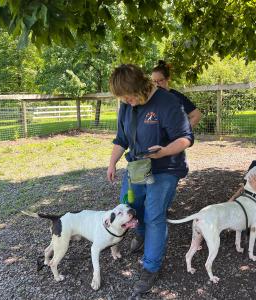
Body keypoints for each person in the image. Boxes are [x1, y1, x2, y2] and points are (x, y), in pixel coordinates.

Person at [106, 64, 194, 297]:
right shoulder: (126, 104)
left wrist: (164, 151)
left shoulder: (167, 102)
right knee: (131, 207)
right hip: (137, 166)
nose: (127, 101)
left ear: (142, 86)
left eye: (130, 96)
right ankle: (142, 234)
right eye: (123, 98)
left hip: (165, 168)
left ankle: (151, 266)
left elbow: (185, 138)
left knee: (154, 214)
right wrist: (112, 162)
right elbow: (121, 138)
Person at [151, 60, 202, 128]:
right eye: (154, 81)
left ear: (168, 79)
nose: (157, 84)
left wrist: (182, 133)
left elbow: (196, 115)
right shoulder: (150, 97)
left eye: (160, 80)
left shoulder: (176, 96)